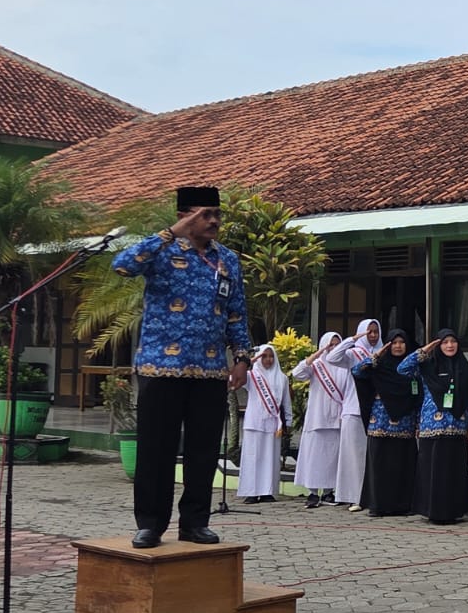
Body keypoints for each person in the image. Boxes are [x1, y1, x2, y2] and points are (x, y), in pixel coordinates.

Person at [112, 186, 252, 549]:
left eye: (216, 214)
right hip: (162, 367)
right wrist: (170, 234)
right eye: (205, 214)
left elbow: (236, 311)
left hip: (209, 369)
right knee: (156, 450)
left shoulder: (228, 260)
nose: (214, 221)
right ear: (184, 216)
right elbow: (123, 265)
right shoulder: (161, 251)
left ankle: (194, 523)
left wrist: (241, 358)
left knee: (203, 452)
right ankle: (150, 525)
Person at [398, 329, 468, 524]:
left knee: (453, 471)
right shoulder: (427, 366)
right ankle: (431, 511)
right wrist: (424, 351)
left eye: (453, 341)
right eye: (445, 342)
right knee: (432, 470)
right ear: (438, 345)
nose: (450, 346)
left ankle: (453, 511)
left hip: (457, 427)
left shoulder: (465, 368)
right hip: (431, 427)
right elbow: (402, 368)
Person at [354, 328, 421, 516]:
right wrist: (374, 358)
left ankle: (403, 505)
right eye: (394, 342)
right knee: (379, 465)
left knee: (403, 465)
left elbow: (418, 395)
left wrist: (418, 422)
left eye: (402, 342)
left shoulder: (411, 367)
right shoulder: (379, 365)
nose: (398, 346)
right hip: (381, 422)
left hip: (405, 422)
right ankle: (378, 505)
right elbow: (357, 372)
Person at [325, 319, 381, 512]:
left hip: (377, 411)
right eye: (369, 332)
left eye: (375, 332)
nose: (373, 335)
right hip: (354, 409)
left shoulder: (383, 352)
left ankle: (372, 495)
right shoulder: (353, 353)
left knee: (372, 456)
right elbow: (332, 357)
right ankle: (354, 496)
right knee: (353, 456)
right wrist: (352, 339)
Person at [291, 332, 348, 509]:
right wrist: (315, 356)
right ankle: (313, 492)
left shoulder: (343, 365)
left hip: (336, 419)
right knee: (314, 458)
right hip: (317, 419)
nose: (333, 348)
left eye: (337, 345)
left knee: (332, 458)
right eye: (330, 344)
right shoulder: (316, 365)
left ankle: (329, 492)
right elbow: (297, 374)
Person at [238, 344, 291, 503]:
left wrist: (288, 420)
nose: (268, 359)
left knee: (270, 459)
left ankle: (267, 491)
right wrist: (253, 359)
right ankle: (252, 492)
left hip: (274, 424)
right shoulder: (251, 375)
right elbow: (235, 379)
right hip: (255, 422)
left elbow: (286, 402)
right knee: (253, 457)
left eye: (270, 356)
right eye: (264, 356)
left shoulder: (282, 378)